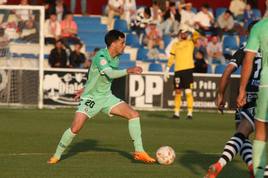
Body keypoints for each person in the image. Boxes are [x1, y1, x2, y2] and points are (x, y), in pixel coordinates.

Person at [47, 30, 156, 164]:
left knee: (133, 114)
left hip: (106, 97)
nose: (124, 45)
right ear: (113, 43)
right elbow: (109, 74)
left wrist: (85, 86)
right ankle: (57, 155)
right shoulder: (101, 56)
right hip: (91, 98)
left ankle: (139, 152)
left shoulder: (116, 57)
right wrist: (129, 70)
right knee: (75, 128)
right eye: (122, 42)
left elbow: (95, 75)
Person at [204, 20, 260, 178]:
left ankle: (223, 163)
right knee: (257, 134)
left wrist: (220, 94)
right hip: (263, 92)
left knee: (241, 132)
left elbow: (228, 71)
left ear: (249, 34)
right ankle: (254, 168)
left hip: (246, 94)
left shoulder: (245, 46)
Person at [237, 19, 268, 178]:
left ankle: (259, 173)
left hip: (265, 85)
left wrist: (242, 89)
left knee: (261, 132)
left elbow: (248, 59)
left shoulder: (259, 27)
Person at [163, 26, 194, 119]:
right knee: (177, 91)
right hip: (178, 70)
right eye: (182, 33)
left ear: (187, 34)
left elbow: (198, 36)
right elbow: (171, 58)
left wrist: (191, 29)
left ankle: (190, 113)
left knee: (188, 91)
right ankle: (176, 113)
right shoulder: (175, 45)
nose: (183, 34)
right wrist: (167, 69)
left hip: (188, 70)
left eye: (185, 33)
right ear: (180, 34)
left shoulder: (190, 43)